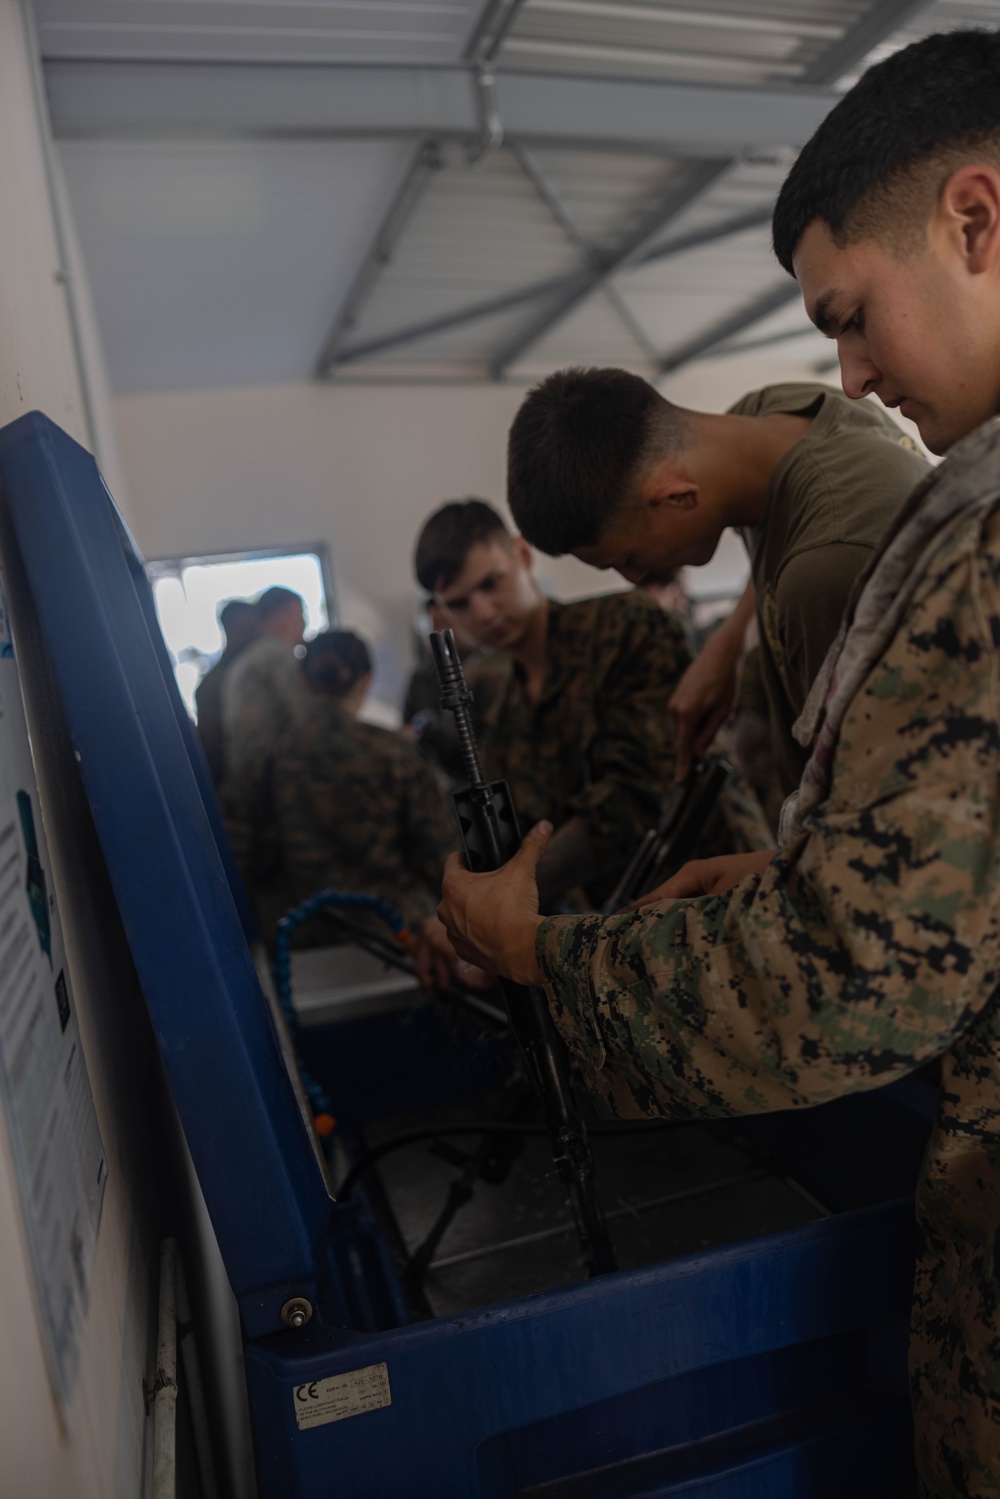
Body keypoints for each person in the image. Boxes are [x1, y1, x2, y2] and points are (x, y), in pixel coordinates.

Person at [438, 29, 1000, 1499]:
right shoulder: (809, 442)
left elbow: (852, 974)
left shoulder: (951, 533)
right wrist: (730, 649)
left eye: (856, 312)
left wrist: (548, 957)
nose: (855, 370)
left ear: (977, 222)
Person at [506, 366, 928, 797]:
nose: (633, 577)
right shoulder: (772, 417)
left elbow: (877, 799)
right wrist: (726, 643)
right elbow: (782, 530)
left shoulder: (828, 568)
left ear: (677, 497)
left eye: (629, 558)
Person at [414, 498, 770, 912]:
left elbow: (633, 803)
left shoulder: (623, 628)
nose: (483, 611)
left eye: (492, 583)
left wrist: (502, 901)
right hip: (636, 938)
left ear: (523, 554)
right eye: (459, 603)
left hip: (731, 906)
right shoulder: (505, 716)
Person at [267, 630, 461, 993]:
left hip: (303, 941)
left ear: (303, 680)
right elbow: (441, 855)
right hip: (405, 939)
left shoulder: (276, 756)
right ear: (367, 680)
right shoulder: (394, 752)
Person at [221, 585, 306, 900]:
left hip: (247, 785)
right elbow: (305, 721)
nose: (304, 623)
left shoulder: (247, 657)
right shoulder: (277, 656)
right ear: (285, 614)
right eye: (301, 614)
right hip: (269, 787)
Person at [403, 598, 509, 784]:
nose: (439, 631)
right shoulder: (423, 675)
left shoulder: (490, 667)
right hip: (438, 774)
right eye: (434, 623)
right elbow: (407, 723)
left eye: (445, 622)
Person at [194, 599, 261, 787]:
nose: (255, 635)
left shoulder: (256, 671)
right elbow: (212, 747)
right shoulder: (212, 685)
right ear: (231, 628)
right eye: (248, 628)